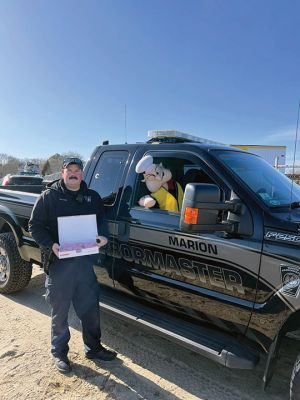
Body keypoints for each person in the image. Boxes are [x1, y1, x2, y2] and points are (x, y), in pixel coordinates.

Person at [29, 157, 117, 373]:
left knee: (90, 310)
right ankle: (59, 354)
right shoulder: (49, 197)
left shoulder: (92, 197)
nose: (74, 174)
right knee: (60, 313)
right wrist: (52, 245)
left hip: (84, 264)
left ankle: (93, 348)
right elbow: (35, 226)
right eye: (70, 170)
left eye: (78, 170)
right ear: (62, 173)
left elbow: (101, 223)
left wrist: (103, 237)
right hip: (59, 265)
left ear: (82, 174)